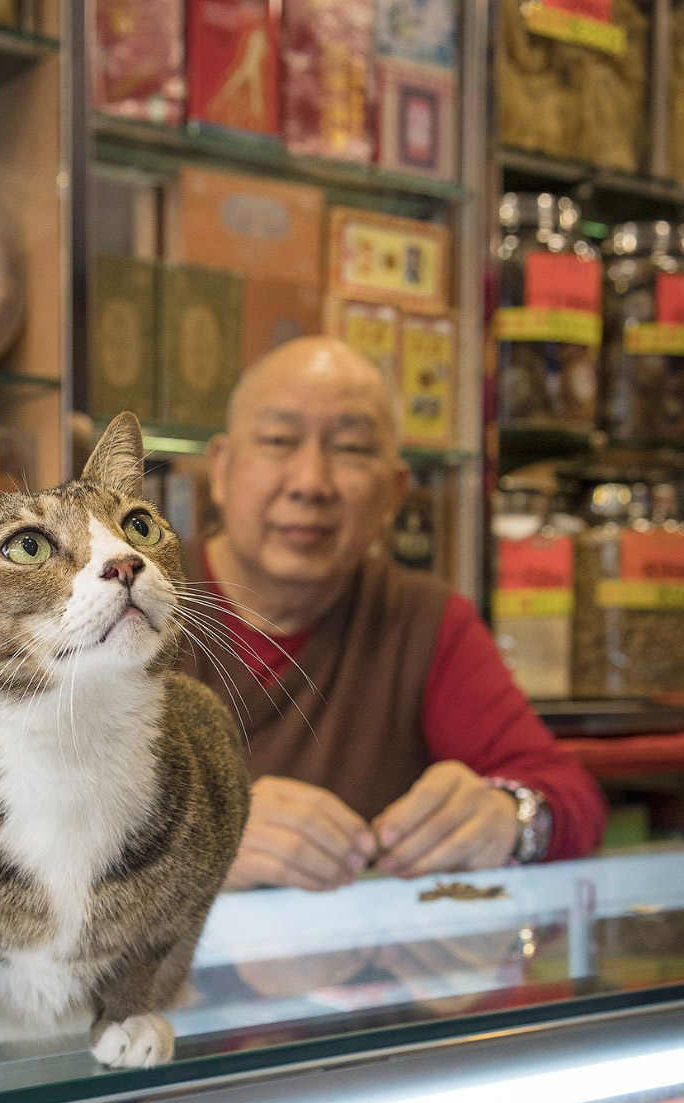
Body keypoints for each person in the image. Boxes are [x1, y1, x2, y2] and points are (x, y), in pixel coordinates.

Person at [177, 337, 606, 892]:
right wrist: (199, 841)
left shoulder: (423, 621)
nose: (310, 483)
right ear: (222, 469)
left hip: (358, 969)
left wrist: (509, 818)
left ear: (393, 494)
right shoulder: (124, 597)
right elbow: (29, 822)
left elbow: (570, 796)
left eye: (351, 449)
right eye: (279, 441)